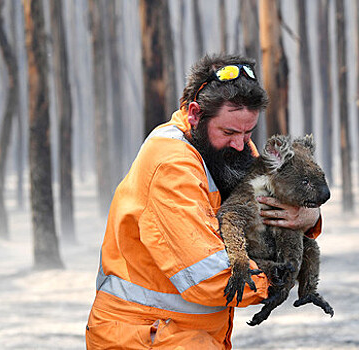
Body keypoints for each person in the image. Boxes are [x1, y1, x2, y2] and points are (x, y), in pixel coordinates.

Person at [85, 54, 323, 349]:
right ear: (196, 114)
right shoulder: (171, 166)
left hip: (183, 335)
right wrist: (280, 276)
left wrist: (308, 218)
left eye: (249, 131)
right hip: (144, 337)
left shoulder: (224, 149)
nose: (242, 143)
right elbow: (209, 277)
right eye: (230, 132)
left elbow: (268, 208)